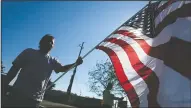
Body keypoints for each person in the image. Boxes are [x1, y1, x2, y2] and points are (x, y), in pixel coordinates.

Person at [3, 34, 83, 108]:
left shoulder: (53, 60)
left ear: (53, 46)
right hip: (17, 94)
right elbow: (14, 68)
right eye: (47, 40)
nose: (49, 43)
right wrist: (3, 86)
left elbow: (62, 69)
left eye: (51, 42)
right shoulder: (28, 52)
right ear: (41, 42)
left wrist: (75, 64)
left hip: (34, 100)